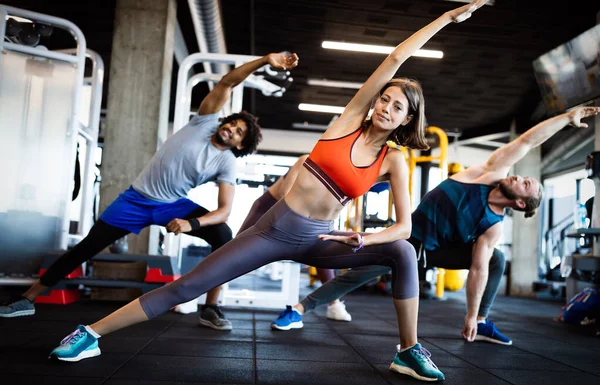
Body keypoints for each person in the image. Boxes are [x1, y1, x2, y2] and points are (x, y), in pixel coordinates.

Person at [46, 2, 489, 381]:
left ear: (407, 120)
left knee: (404, 252)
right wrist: (447, 17)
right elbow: (394, 58)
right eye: (384, 99)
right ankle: (90, 335)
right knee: (189, 287)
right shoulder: (349, 121)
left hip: (322, 239)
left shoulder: (393, 160)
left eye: (397, 107)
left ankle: (407, 351)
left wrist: (363, 238)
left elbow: (404, 226)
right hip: (273, 231)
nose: (386, 107)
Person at [0, 52, 299, 332]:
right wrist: (265, 60)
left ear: (240, 145)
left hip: (172, 206)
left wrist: (190, 223)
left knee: (223, 234)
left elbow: (224, 211)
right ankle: (28, 298)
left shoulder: (227, 163)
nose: (232, 129)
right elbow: (228, 82)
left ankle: (211, 307)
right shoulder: (204, 122)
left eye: (239, 133)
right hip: (134, 201)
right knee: (85, 249)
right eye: (232, 123)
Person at [271, 105, 600, 346]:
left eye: (528, 185)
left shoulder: (493, 226)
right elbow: (526, 143)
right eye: (526, 177)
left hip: (441, 252)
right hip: (411, 237)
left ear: (519, 203)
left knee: (494, 259)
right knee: (362, 273)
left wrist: (470, 314)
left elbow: (478, 271)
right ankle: (299, 309)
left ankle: (482, 322)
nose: (521, 178)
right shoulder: (486, 175)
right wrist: (566, 119)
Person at [239, 155, 353, 329]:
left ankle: (334, 303)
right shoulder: (306, 160)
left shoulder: (340, 177)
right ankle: (209, 298)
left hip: (302, 215)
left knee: (322, 245)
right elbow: (285, 196)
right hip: (269, 207)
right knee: (234, 249)